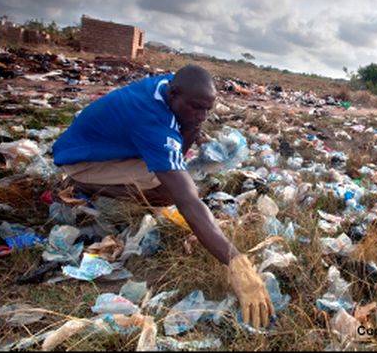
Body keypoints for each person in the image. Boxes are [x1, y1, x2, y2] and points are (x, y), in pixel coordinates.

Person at [52, 64, 274, 328]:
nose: (202, 115)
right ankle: (85, 186)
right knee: (167, 191)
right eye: (195, 107)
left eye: (207, 109)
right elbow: (187, 199)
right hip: (79, 161)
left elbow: (179, 148)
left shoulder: (171, 88)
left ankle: (104, 181)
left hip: (107, 147)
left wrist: (191, 126)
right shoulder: (151, 119)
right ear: (174, 95)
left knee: (173, 173)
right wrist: (236, 261)